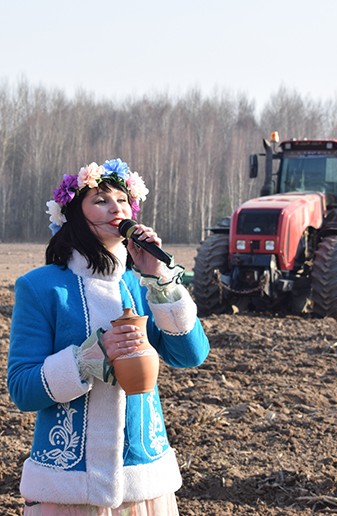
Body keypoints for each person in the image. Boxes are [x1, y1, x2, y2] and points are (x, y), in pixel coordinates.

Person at [7, 158, 210, 515]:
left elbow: (190, 354)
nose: (116, 207)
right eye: (100, 199)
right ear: (72, 214)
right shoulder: (40, 287)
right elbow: (22, 388)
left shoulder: (140, 283)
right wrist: (87, 359)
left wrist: (161, 280)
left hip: (142, 481)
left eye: (122, 199)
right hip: (68, 487)